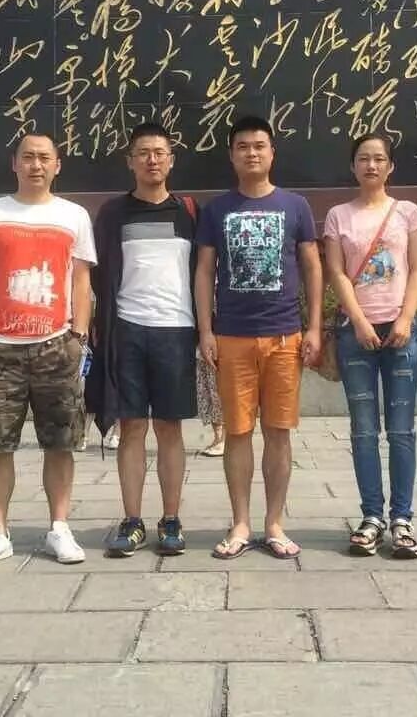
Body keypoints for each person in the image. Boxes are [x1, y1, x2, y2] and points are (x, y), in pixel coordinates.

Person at [0, 134, 97, 568]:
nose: (36, 165)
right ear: (14, 164)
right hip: (0, 347)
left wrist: (78, 335)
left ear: (57, 165)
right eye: (28, 157)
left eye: (44, 158)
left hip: (56, 344)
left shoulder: (73, 215)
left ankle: (59, 527)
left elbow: (81, 279)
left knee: (60, 442)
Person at [195, 115, 323, 560]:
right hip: (232, 336)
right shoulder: (216, 210)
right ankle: (240, 523)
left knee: (279, 432)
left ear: (272, 152)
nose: (252, 153)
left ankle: (274, 523)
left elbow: (312, 267)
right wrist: (206, 329)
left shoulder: (295, 206)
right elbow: (204, 271)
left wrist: (314, 326)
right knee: (237, 432)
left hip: (284, 335)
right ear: (232, 155)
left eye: (259, 145)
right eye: (243, 146)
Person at [90, 122, 199, 558]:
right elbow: (97, 273)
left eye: (159, 152)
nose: (152, 160)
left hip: (176, 330)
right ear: (130, 161)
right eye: (143, 153)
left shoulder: (189, 212)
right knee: (131, 426)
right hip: (127, 329)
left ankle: (171, 519)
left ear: (171, 160)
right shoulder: (112, 214)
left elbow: (204, 272)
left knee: (169, 427)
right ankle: (132, 520)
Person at [324, 133, 417, 558]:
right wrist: (360, 322)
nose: (371, 165)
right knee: (364, 430)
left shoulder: (408, 213)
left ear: (390, 167)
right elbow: (337, 273)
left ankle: (402, 518)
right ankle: (371, 517)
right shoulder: (338, 216)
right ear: (353, 166)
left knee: (401, 430)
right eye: (364, 158)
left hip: (401, 332)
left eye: (379, 159)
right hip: (357, 333)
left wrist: (404, 318)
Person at [196, 358, 225, 457]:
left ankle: (224, 440)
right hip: (202, 355)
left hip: (221, 354)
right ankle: (218, 438)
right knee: (208, 395)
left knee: (220, 395)